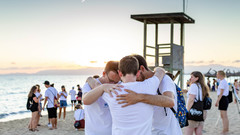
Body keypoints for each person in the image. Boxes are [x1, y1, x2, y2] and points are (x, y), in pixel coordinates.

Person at [115, 54, 181, 135]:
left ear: (142, 69)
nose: (135, 79)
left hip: (167, 132)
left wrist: (139, 97)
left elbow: (170, 101)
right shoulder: (142, 83)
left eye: (136, 74)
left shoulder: (165, 80)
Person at [101, 56, 166, 135]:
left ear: (120, 73)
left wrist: (90, 80)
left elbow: (95, 88)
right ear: (138, 73)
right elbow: (161, 71)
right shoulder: (149, 85)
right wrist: (156, 69)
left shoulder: (112, 91)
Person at [82, 61, 121, 135]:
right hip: (92, 133)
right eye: (111, 81)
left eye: (116, 82)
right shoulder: (89, 85)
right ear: (104, 74)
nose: (113, 85)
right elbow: (85, 100)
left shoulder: (119, 85)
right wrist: (102, 87)